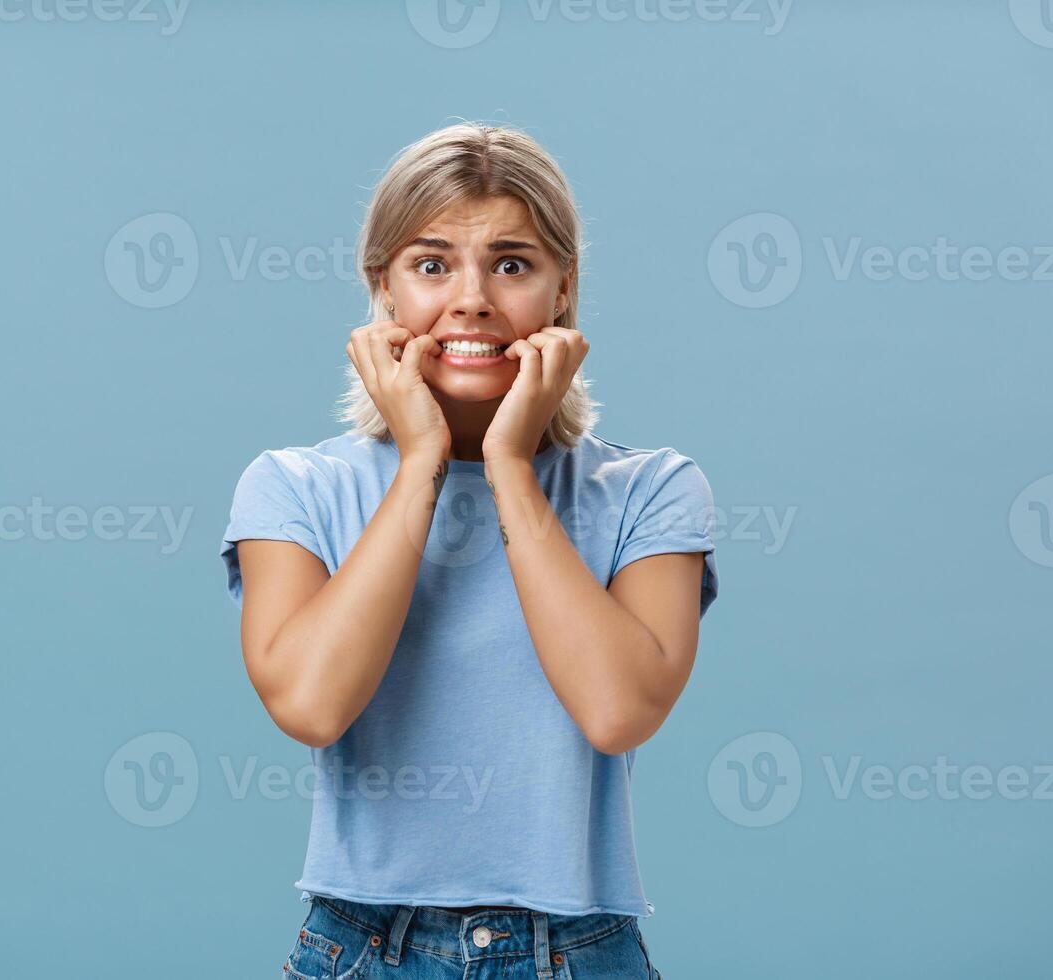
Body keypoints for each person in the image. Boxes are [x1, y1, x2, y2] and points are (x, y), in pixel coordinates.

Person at [220, 122, 714, 979]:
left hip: (577, 951)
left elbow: (617, 711)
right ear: (384, 288)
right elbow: (311, 705)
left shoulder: (652, 488)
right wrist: (419, 461)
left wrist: (510, 467)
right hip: (364, 947)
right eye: (432, 263)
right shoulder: (292, 486)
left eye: (513, 264)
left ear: (564, 289)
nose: (472, 299)